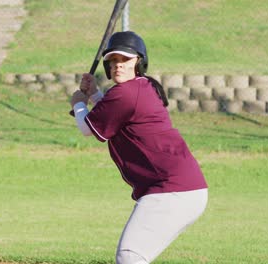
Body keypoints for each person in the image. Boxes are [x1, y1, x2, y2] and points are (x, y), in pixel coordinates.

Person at [70, 31, 208, 264]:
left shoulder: (126, 92)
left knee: (130, 255)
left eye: (125, 60)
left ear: (139, 63)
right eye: (113, 61)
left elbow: (87, 128)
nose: (118, 65)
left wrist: (79, 104)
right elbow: (114, 111)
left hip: (171, 191)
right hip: (184, 189)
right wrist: (93, 93)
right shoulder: (141, 87)